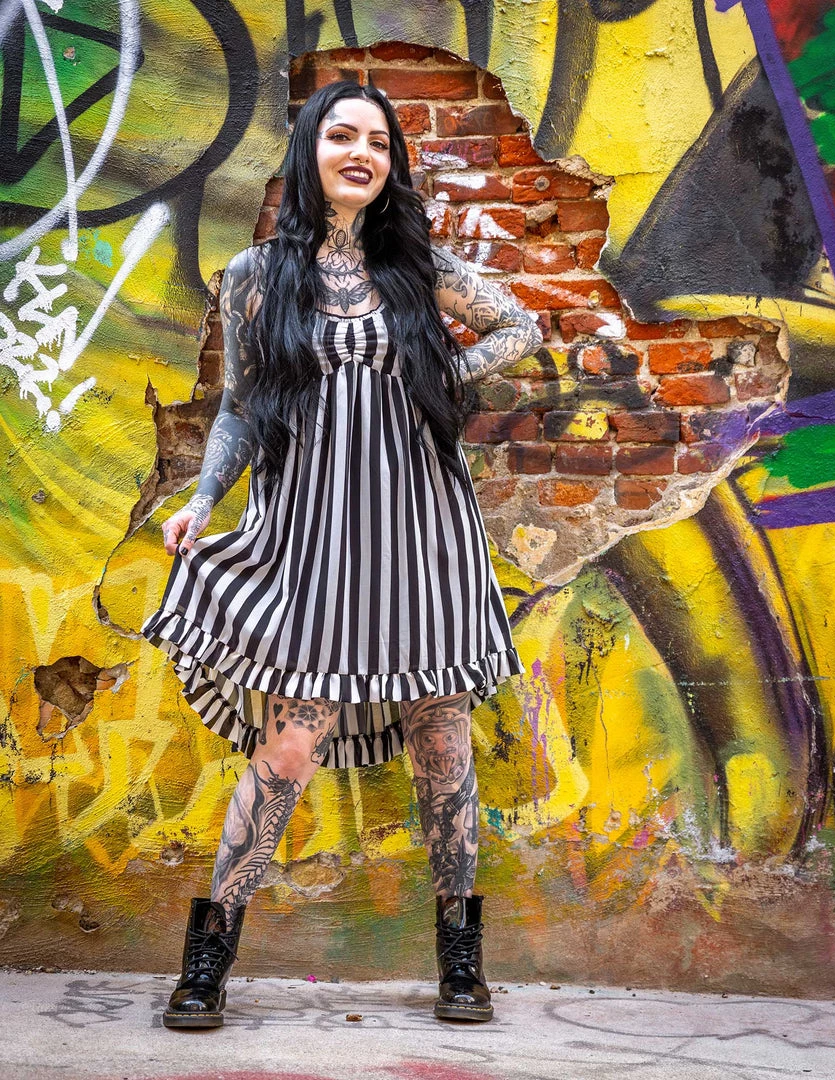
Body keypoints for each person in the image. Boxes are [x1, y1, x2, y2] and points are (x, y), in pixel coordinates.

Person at [141, 78, 542, 1029]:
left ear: (391, 164)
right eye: (341, 136)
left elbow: (521, 326)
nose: (361, 153)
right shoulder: (255, 278)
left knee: (442, 735)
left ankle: (459, 961)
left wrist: (439, 370)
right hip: (311, 537)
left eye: (378, 142)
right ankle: (208, 960)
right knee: (288, 745)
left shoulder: (417, 268)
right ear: (309, 152)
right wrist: (201, 501)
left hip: (422, 532)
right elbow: (240, 409)